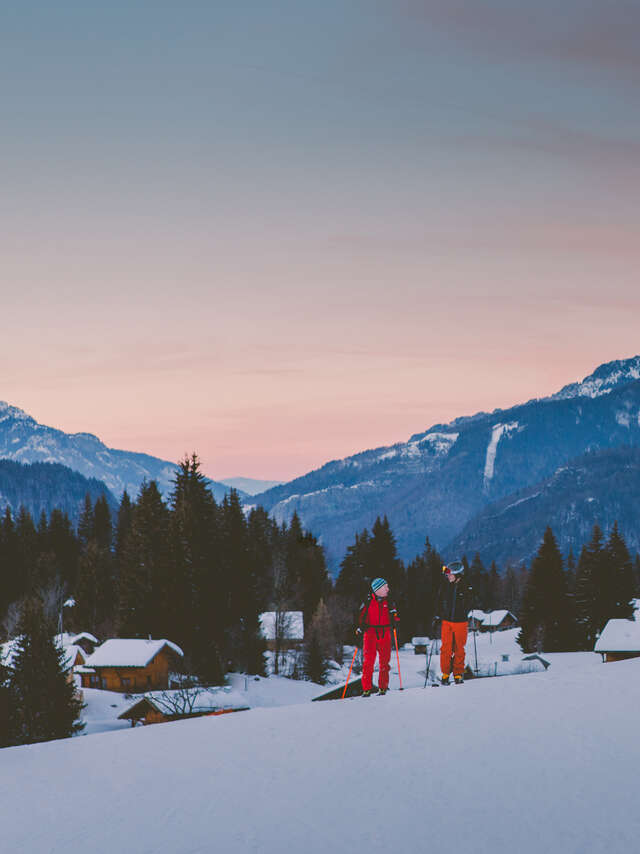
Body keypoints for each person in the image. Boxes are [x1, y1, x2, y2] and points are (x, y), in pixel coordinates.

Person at [356, 577, 400, 696]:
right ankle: (366, 689)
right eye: (385, 587)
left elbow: (395, 614)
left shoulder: (389, 601)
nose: (388, 589)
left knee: (384, 662)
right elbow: (360, 616)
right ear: (378, 589)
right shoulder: (368, 601)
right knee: (368, 662)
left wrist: (395, 620)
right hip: (370, 633)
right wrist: (360, 627)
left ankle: (383, 687)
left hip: (385, 632)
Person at [433, 561, 471, 684]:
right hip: (447, 622)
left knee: (459, 648)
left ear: (457, 575)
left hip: (461, 622)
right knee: (446, 648)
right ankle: (445, 673)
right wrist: (438, 615)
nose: (448, 576)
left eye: (450, 574)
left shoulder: (465, 587)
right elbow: (439, 602)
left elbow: (472, 602)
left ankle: (458, 674)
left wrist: (467, 604)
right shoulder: (445, 587)